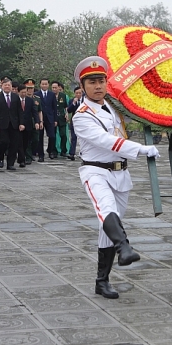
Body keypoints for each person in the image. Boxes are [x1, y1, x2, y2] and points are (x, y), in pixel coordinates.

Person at [71, 57, 159, 300]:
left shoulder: (112, 106)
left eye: (101, 81)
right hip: (95, 171)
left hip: (120, 173)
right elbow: (105, 140)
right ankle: (124, 247)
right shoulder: (82, 115)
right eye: (92, 82)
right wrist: (139, 149)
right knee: (106, 210)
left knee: (107, 226)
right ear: (83, 86)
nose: (98, 86)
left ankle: (102, 280)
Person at [0, 78, 20, 170]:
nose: (7, 87)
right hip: (2, 124)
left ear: (11, 86)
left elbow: (19, 111)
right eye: (5, 85)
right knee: (3, 142)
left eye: (9, 85)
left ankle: (10, 163)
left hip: (14, 124)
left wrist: (21, 123)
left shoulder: (16, 97)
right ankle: (1, 157)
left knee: (14, 144)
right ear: (2, 86)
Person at [36, 78, 57, 160]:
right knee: (40, 137)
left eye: (46, 84)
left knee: (52, 136)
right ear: (40, 85)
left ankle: (50, 150)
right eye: (43, 84)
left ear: (48, 85)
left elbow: (55, 108)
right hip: (40, 118)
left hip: (50, 118)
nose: (44, 85)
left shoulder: (52, 94)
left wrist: (55, 120)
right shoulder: (36, 94)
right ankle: (41, 155)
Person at [66, 86, 83, 161]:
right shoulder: (72, 100)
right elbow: (69, 110)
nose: (78, 94)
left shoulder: (85, 101)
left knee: (84, 138)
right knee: (73, 137)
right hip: (74, 121)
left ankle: (83, 153)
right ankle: (72, 153)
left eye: (80, 93)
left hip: (84, 122)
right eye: (77, 93)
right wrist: (73, 103)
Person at [53, 81, 68, 158]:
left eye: (56, 88)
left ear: (59, 88)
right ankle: (54, 151)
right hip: (53, 118)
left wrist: (66, 114)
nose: (54, 89)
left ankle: (63, 150)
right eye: (53, 88)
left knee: (63, 135)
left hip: (62, 117)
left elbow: (65, 106)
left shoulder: (63, 96)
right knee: (53, 136)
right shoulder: (50, 96)